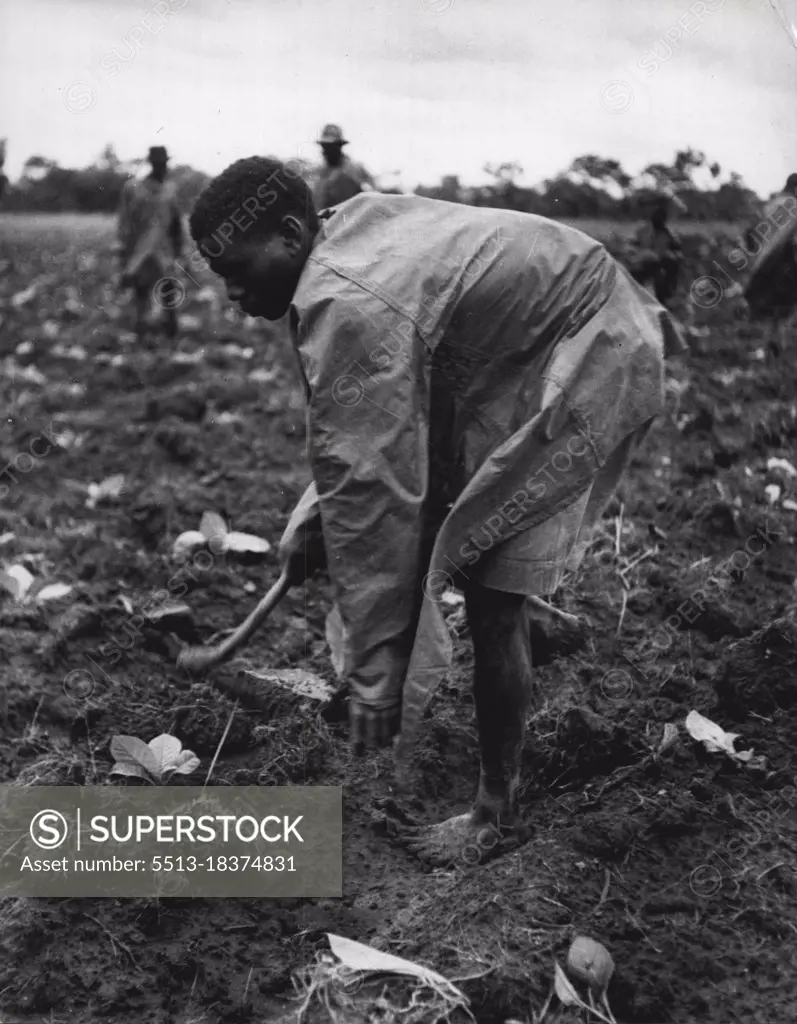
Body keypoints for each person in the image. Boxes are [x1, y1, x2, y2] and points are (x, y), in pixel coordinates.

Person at [189, 157, 686, 866]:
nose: (233, 291)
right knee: (465, 525)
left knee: (488, 585)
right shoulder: (340, 242)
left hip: (586, 341)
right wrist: (313, 516)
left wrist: (376, 669)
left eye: (239, 268)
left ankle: (493, 809)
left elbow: (374, 490)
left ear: (294, 231)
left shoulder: (348, 299)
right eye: (218, 277)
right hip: (502, 353)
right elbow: (360, 431)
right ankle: (539, 626)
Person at [116, 145, 184, 340]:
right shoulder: (133, 189)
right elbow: (124, 222)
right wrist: (123, 253)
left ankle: (171, 333)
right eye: (159, 164)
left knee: (168, 294)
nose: (163, 168)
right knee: (141, 293)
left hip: (164, 251)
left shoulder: (170, 190)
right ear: (152, 164)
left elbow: (176, 222)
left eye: (164, 164)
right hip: (140, 252)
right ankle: (141, 334)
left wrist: (179, 248)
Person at [743, 172, 797, 338]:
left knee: (766, 312)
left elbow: (752, 235)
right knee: (782, 313)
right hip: (783, 261)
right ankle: (776, 349)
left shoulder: (770, 205)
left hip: (762, 262)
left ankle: (767, 347)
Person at [630, 195, 683, 309]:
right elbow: (634, 248)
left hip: (660, 269)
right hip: (646, 267)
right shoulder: (643, 231)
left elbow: (674, 254)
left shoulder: (668, 234)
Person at [311, 124, 374, 210]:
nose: (325, 151)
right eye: (324, 146)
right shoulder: (320, 173)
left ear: (339, 147)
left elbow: (371, 198)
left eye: (330, 147)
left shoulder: (354, 170)